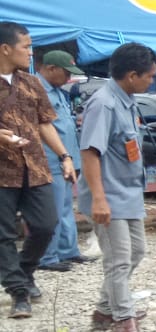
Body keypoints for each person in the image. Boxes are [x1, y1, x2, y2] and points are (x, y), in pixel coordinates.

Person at [0, 23, 79, 319]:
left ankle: (24, 269)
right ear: (6, 48)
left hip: (35, 166)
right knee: (4, 234)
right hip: (1, 172)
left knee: (46, 224)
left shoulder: (32, 83)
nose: (31, 52)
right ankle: (19, 291)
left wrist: (64, 156)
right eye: (26, 47)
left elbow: (45, 122)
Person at [79, 42, 156, 332]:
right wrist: (98, 199)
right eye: (149, 77)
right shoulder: (104, 104)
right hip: (108, 195)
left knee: (137, 251)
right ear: (132, 75)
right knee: (119, 258)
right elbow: (89, 153)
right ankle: (123, 318)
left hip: (128, 193)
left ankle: (103, 309)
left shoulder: (127, 99)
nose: (151, 81)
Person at [36, 50, 93, 271]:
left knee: (67, 207)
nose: (69, 79)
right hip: (50, 161)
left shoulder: (58, 91)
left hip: (67, 159)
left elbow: (65, 126)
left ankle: (68, 251)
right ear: (51, 69)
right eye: (66, 73)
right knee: (53, 210)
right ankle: (48, 258)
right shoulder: (39, 92)